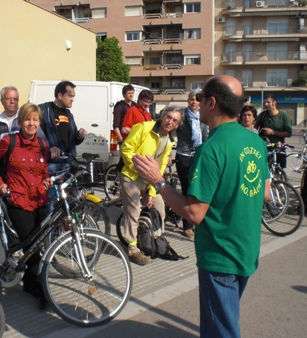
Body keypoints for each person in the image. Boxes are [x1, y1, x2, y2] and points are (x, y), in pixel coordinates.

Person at [131, 75, 270, 338]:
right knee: (223, 322)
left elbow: (194, 213)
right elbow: (265, 193)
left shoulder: (211, 148)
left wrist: (158, 182)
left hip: (219, 256)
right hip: (247, 249)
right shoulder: (255, 142)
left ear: (212, 102)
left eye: (200, 97)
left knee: (221, 331)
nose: (195, 102)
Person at [0, 103, 52, 309]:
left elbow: (43, 169)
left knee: (37, 245)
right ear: (21, 121)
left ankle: (30, 283)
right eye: (28, 119)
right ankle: (39, 287)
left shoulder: (42, 144)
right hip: (18, 200)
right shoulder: (9, 141)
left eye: (35, 120)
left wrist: (47, 179)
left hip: (40, 199)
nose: (31, 123)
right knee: (31, 245)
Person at [119, 106, 182, 265]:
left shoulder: (169, 140)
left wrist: (152, 191)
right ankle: (132, 248)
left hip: (149, 181)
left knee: (160, 207)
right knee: (133, 210)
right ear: (162, 116)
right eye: (168, 117)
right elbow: (126, 149)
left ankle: (154, 241)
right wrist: (140, 169)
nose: (170, 122)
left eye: (174, 120)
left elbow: (160, 167)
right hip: (131, 175)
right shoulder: (144, 127)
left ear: (177, 125)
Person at [38, 80, 86, 209]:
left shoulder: (69, 115)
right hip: (51, 164)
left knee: (69, 200)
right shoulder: (43, 110)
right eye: (70, 96)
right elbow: (35, 135)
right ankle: (50, 228)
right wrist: (49, 147)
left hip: (68, 162)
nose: (73, 99)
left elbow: (73, 140)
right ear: (60, 95)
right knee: (51, 200)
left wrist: (79, 136)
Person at [175, 90, 209, 239]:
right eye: (191, 99)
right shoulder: (182, 116)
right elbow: (171, 132)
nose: (194, 102)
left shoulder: (203, 117)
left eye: (196, 99)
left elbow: (206, 136)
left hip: (198, 157)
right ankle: (187, 226)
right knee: (187, 190)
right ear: (187, 101)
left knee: (198, 190)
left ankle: (198, 219)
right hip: (183, 156)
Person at [255, 93, 292, 168]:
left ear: (274, 102)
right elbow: (254, 127)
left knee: (279, 170)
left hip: (278, 149)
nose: (266, 104)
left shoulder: (283, 117)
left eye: (268, 102)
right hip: (264, 149)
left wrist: (272, 132)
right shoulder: (263, 115)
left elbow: (288, 133)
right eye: (265, 102)